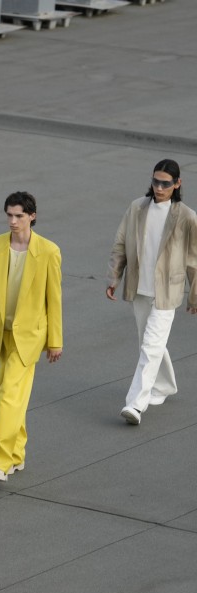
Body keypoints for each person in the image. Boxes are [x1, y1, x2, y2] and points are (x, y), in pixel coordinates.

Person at [0, 191, 63, 482]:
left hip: (29, 337)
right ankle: (17, 454)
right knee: (6, 400)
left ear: (32, 216)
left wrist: (55, 341)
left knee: (8, 397)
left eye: (19, 216)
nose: (13, 221)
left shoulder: (49, 251)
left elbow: (53, 299)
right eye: (9, 215)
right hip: (2, 333)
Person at [106, 159, 197, 425]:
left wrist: (194, 296)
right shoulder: (137, 208)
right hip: (139, 288)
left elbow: (194, 260)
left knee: (150, 346)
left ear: (177, 184)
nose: (159, 187)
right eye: (156, 181)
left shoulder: (187, 217)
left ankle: (135, 404)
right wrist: (114, 277)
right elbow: (120, 243)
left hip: (167, 292)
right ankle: (165, 385)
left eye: (165, 183)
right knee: (150, 343)